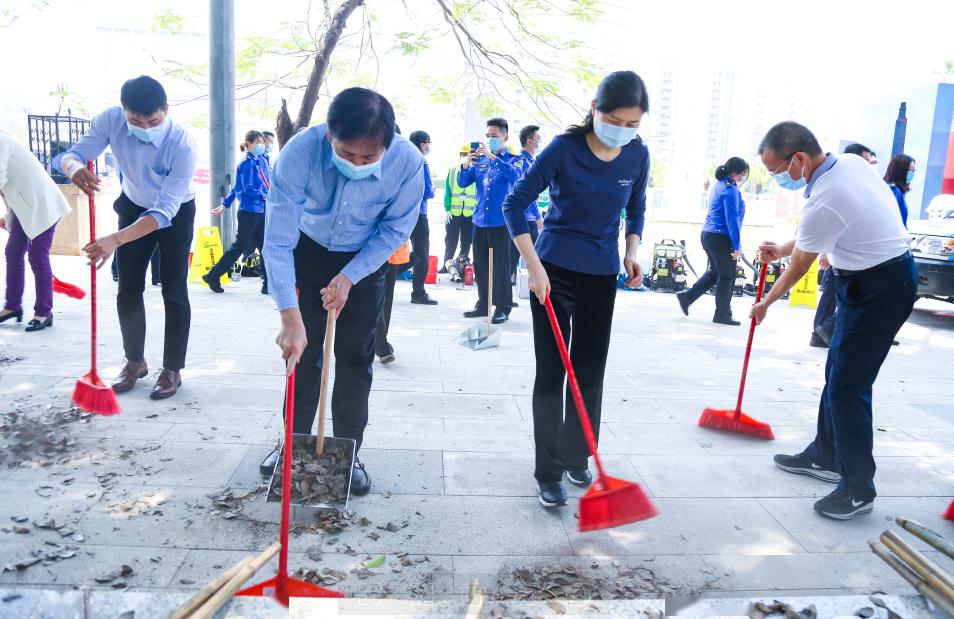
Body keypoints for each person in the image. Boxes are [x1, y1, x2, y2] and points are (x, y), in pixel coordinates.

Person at [261, 87, 424, 495]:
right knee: (303, 355)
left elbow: (394, 230)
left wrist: (350, 276)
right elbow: (278, 240)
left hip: (366, 257)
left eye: (369, 158)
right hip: (308, 249)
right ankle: (292, 445)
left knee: (354, 358)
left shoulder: (407, 162)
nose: (356, 164)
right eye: (346, 154)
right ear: (329, 135)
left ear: (387, 144)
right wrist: (290, 315)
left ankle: (349, 451)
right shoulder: (300, 153)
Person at [751, 121, 915, 520]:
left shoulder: (827, 195)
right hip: (871, 280)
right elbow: (815, 234)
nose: (777, 179)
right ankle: (825, 455)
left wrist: (766, 304)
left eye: (776, 171)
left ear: (800, 159)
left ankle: (858, 488)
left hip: (881, 289)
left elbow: (800, 267)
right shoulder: (850, 165)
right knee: (837, 373)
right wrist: (783, 247)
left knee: (848, 387)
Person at [503, 70, 649, 508]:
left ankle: (577, 454)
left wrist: (631, 251)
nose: (622, 130)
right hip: (553, 271)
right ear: (595, 109)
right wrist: (533, 268)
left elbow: (636, 208)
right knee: (552, 373)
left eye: (632, 123)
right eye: (615, 120)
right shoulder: (564, 149)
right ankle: (548, 471)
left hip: (602, 276)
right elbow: (515, 203)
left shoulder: (637, 155)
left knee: (588, 371)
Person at [55, 75, 198, 400]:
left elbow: (164, 213)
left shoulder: (182, 145)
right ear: (124, 113)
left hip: (175, 214)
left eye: (153, 120)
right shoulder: (110, 120)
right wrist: (72, 167)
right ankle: (135, 362)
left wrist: (115, 239)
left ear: (166, 110)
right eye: (136, 121)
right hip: (133, 205)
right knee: (128, 288)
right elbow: (70, 155)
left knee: (174, 291)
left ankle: (172, 368)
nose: (145, 127)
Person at [0, 132, 71, 331]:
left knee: (37, 257)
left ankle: (44, 312)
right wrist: (8, 217)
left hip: (43, 205)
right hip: (24, 207)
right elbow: (9, 187)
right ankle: (12, 306)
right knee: (13, 252)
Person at [458, 118, 523, 324]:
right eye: (487, 136)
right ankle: (483, 303)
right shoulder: (481, 161)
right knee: (481, 265)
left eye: (494, 136)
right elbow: (462, 182)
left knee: (501, 266)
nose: (489, 140)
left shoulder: (513, 159)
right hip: (479, 221)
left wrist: (493, 157)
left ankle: (503, 307)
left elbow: (515, 176)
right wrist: (466, 164)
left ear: (505, 137)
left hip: (501, 222)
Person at [676, 156, 749, 325]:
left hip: (709, 235)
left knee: (716, 272)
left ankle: (687, 298)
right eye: (742, 174)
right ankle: (723, 314)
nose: (742, 178)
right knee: (728, 275)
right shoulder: (730, 190)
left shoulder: (720, 185)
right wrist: (736, 245)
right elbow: (732, 219)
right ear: (734, 173)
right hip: (720, 237)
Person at [202, 130, 271, 295]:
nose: (261, 145)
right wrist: (267, 196)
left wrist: (226, 203)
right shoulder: (246, 164)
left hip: (261, 210)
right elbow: (245, 189)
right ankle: (213, 275)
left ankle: (268, 284)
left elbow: (237, 188)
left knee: (266, 248)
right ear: (248, 144)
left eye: (262, 142)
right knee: (239, 247)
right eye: (257, 142)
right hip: (249, 212)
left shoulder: (262, 160)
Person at [510, 125, 544, 283]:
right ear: (529, 141)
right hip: (524, 216)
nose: (540, 142)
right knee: (518, 254)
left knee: (519, 255)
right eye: (538, 139)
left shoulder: (532, 162)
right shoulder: (522, 162)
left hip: (528, 216)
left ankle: (511, 283)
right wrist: (538, 217)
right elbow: (526, 194)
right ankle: (506, 289)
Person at [407, 130, 437, 305]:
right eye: (427, 142)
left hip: (404, 212)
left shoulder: (405, 160)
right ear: (420, 144)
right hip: (419, 213)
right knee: (422, 253)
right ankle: (418, 292)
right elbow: (426, 191)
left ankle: (387, 273)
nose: (429, 146)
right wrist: (432, 191)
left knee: (399, 250)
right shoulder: (421, 162)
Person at [375, 241, 412, 364]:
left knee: (386, 297)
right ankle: (381, 345)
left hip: (392, 249)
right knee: (377, 297)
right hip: (374, 252)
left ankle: (381, 341)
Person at [441, 147, 476, 271]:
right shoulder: (453, 171)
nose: (465, 156)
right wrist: (447, 209)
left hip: (470, 214)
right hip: (454, 213)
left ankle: (462, 266)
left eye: (467, 154)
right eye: (463, 154)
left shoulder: (476, 172)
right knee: (450, 240)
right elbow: (447, 192)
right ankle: (447, 265)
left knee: (466, 242)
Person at [884, 154, 915, 228]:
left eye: (913, 170)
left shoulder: (897, 190)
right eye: (910, 169)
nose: (912, 173)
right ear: (900, 171)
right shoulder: (894, 190)